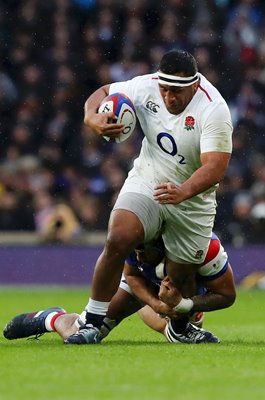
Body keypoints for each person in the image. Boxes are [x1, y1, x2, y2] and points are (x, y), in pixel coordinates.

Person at [62, 49, 233, 344]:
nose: (169, 97)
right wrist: (92, 118)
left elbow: (216, 166)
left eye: (177, 91)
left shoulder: (213, 108)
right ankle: (91, 321)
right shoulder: (146, 86)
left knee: (179, 278)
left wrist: (184, 191)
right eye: (164, 89)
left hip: (193, 200)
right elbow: (103, 91)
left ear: (194, 85)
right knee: (118, 237)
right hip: (149, 181)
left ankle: (179, 327)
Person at [3, 234, 236, 344]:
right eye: (136, 250)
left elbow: (227, 295)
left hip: (186, 297)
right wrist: (156, 303)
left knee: (176, 328)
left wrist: (183, 305)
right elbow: (132, 275)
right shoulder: (134, 241)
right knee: (83, 332)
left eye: (144, 251)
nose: (138, 255)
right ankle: (52, 318)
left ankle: (180, 326)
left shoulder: (206, 248)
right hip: (144, 287)